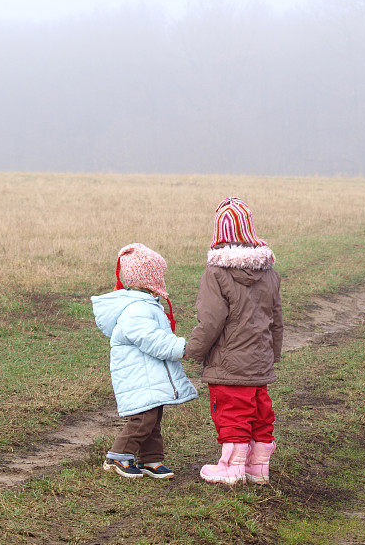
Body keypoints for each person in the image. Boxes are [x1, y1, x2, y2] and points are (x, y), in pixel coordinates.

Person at [185, 197, 283, 485]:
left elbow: (212, 320)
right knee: (260, 411)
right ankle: (258, 467)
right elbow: (276, 319)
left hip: (228, 364)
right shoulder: (269, 273)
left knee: (232, 412)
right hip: (259, 361)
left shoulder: (216, 273)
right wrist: (272, 354)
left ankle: (232, 467)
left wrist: (193, 350)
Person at [91, 243, 197, 478]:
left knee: (153, 417)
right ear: (148, 278)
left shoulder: (146, 304)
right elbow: (153, 340)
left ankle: (151, 460)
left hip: (149, 374)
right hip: (139, 376)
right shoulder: (136, 309)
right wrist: (181, 348)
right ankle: (118, 457)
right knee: (143, 419)